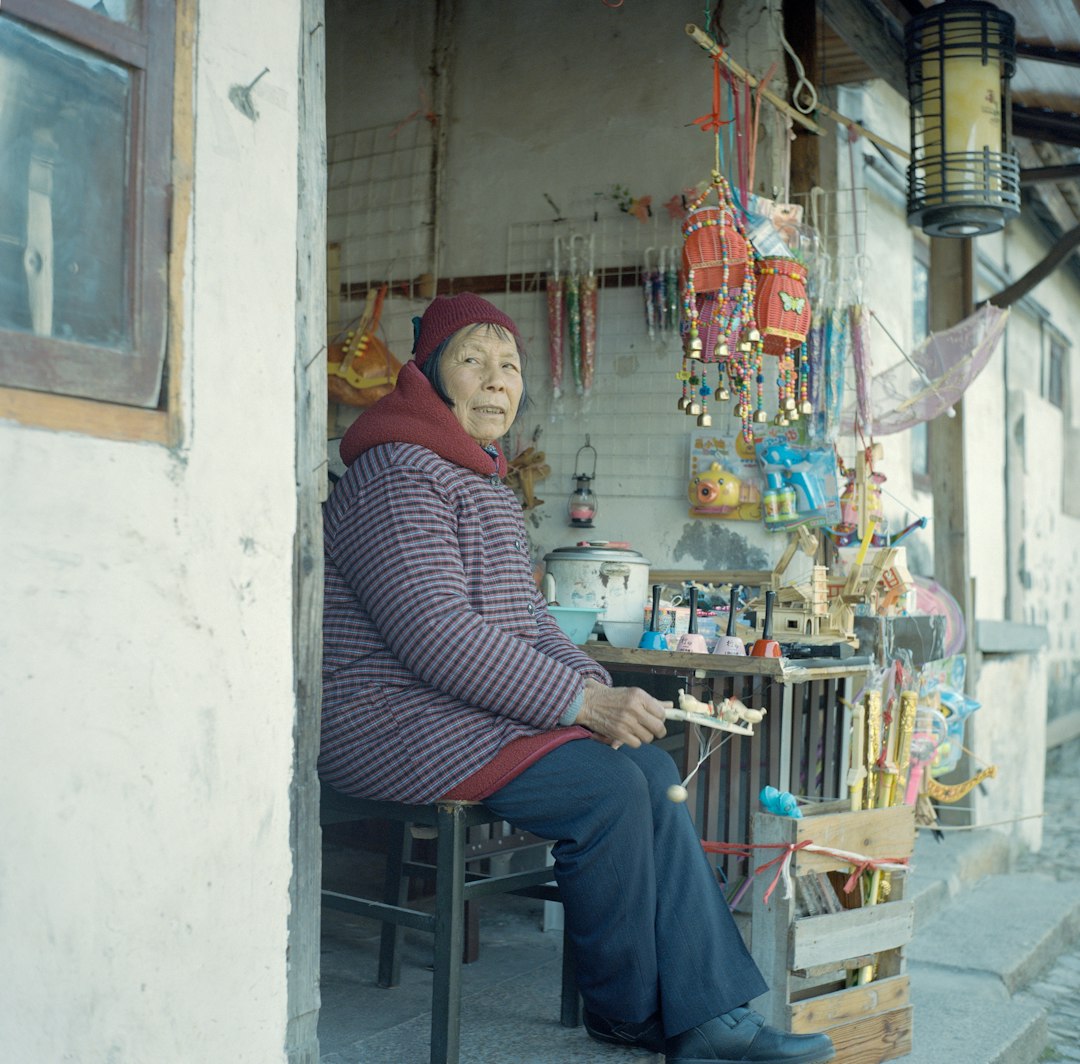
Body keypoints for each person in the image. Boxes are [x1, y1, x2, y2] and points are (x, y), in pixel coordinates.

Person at [321, 292, 834, 1064]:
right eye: (473, 361)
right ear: (426, 376)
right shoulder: (398, 474)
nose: (497, 380)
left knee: (650, 771)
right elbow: (434, 635)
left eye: (510, 365)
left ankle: (709, 1019)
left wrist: (602, 695)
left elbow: (530, 624)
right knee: (609, 788)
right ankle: (628, 1013)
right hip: (390, 720)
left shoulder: (482, 483)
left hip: (456, 713)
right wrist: (581, 702)